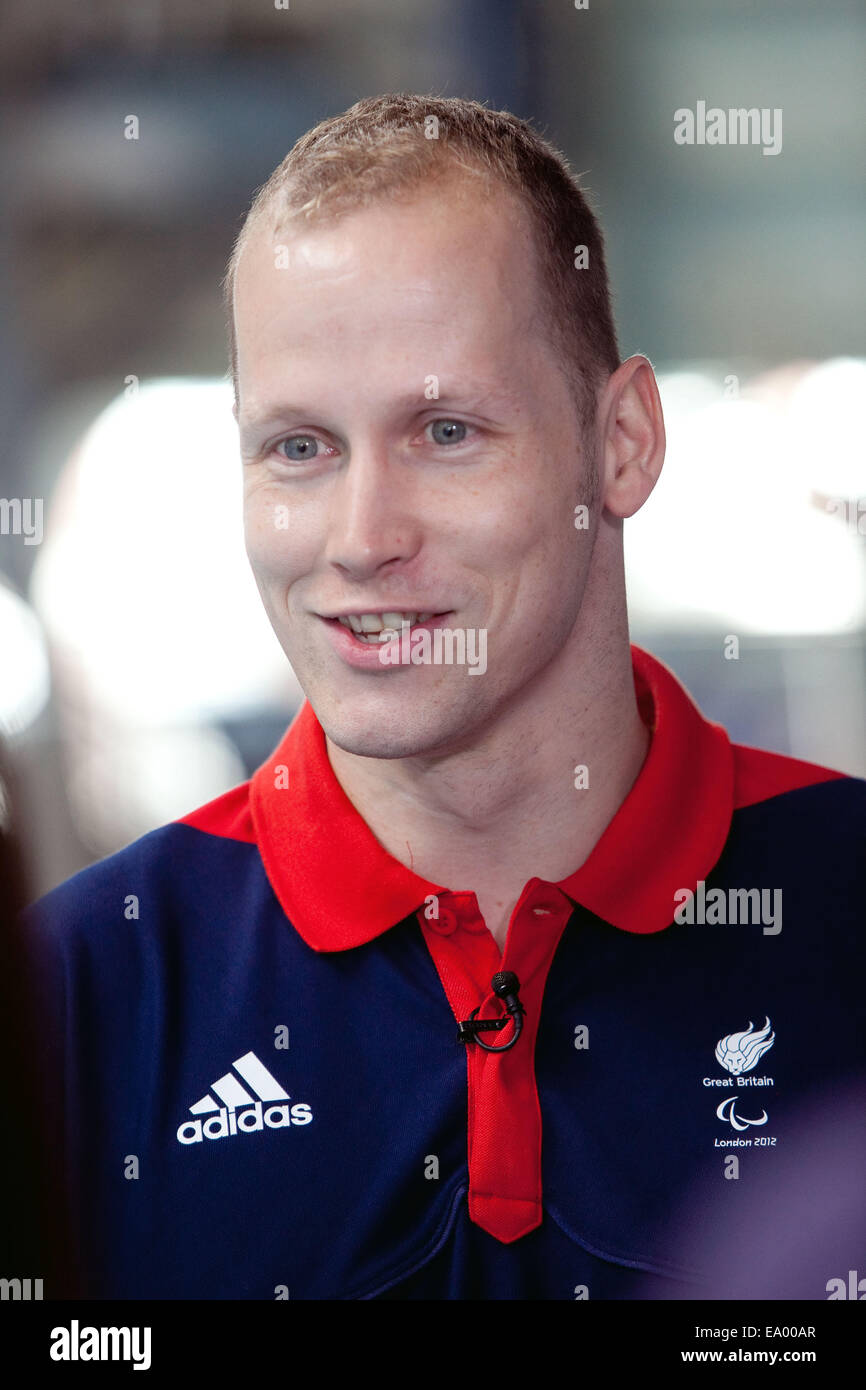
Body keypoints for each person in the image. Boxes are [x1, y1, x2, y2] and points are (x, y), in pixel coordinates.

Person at [20, 93, 865, 1301]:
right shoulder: (82, 994)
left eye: (446, 430)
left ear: (619, 441)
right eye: (299, 447)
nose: (361, 539)